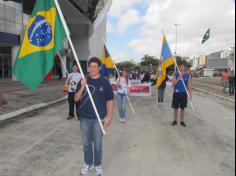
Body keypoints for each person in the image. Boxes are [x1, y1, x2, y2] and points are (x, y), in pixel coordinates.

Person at [75, 57, 114, 176]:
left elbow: (110, 101)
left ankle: (98, 165)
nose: (92, 69)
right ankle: (88, 163)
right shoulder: (83, 80)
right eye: (91, 66)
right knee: (86, 143)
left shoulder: (105, 83)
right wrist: (82, 86)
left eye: (95, 66)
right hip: (84, 118)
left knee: (97, 143)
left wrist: (109, 117)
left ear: (99, 68)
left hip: (99, 119)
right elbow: (76, 98)